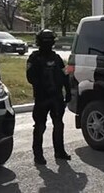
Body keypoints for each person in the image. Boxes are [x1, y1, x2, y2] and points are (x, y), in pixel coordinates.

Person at [26, 29, 72, 165]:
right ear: (39, 42)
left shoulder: (57, 58)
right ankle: (38, 154)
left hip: (56, 98)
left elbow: (65, 74)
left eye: (50, 41)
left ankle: (59, 151)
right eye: (45, 41)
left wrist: (68, 91)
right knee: (40, 126)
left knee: (58, 124)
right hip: (42, 98)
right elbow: (30, 77)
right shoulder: (34, 58)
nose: (48, 44)